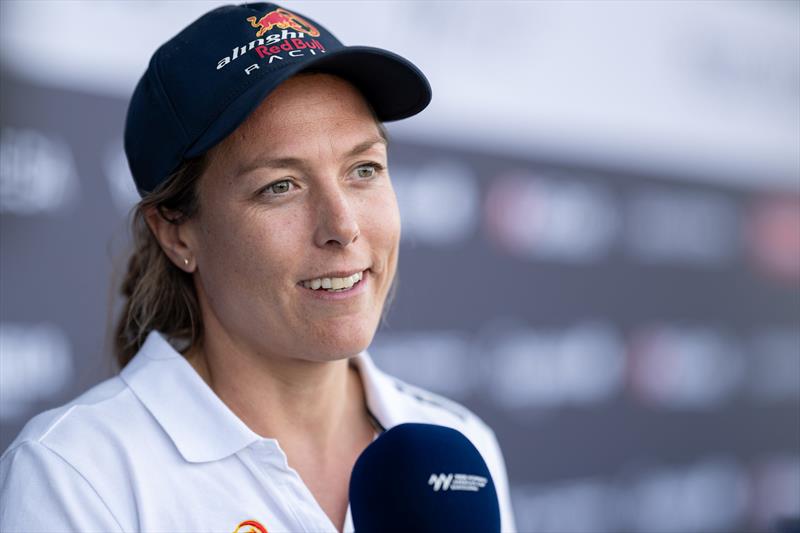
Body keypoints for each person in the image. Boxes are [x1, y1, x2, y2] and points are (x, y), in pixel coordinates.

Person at [0, 3, 516, 532]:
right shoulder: (76, 476)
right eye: (281, 186)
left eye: (364, 169)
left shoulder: (459, 447)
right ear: (176, 231)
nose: (343, 225)